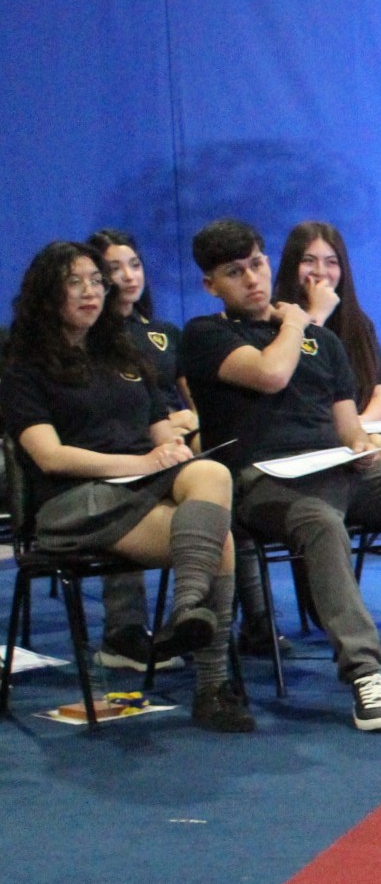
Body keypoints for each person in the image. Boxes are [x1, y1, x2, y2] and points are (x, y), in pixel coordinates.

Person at [180, 218, 381, 732]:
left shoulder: (323, 343)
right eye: (235, 273)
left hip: (336, 469)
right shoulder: (206, 334)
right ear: (211, 285)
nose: (253, 279)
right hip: (264, 482)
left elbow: (348, 426)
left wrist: (365, 447)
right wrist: (298, 320)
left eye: (256, 264)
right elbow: (270, 373)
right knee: (322, 523)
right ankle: (366, 671)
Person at [2, 240, 251, 731]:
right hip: (73, 501)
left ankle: (187, 609)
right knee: (217, 540)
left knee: (211, 472)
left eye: (96, 281)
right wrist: (141, 462)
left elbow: (159, 430)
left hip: (140, 484)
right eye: (75, 283)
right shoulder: (22, 365)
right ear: (46, 294)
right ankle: (212, 685)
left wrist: (172, 451)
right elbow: (50, 456)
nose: (90, 292)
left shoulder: (123, 352)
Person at [86, 228, 197, 673]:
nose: (129, 276)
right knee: (126, 489)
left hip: (175, 433)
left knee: (219, 467)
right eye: (114, 269)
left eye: (134, 265)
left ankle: (223, 620)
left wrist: (189, 422)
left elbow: (194, 400)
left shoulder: (164, 332)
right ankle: (124, 630)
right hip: (127, 444)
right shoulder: (92, 338)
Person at [274, 222, 381, 425]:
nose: (320, 271)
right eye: (308, 261)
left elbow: (379, 392)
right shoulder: (275, 318)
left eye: (331, 262)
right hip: (304, 432)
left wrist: (355, 427)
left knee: (379, 442)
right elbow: (297, 381)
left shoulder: (359, 323)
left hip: (357, 431)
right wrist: (318, 314)